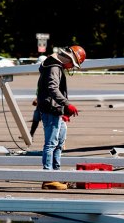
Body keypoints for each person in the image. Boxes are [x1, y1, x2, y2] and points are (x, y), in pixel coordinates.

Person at [35, 45, 86, 190]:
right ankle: (48, 178)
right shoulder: (54, 67)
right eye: (73, 64)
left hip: (56, 109)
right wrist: (67, 104)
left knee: (59, 142)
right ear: (69, 59)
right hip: (51, 110)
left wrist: (63, 110)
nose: (71, 67)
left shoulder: (55, 65)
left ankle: (56, 174)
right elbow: (53, 89)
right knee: (51, 143)